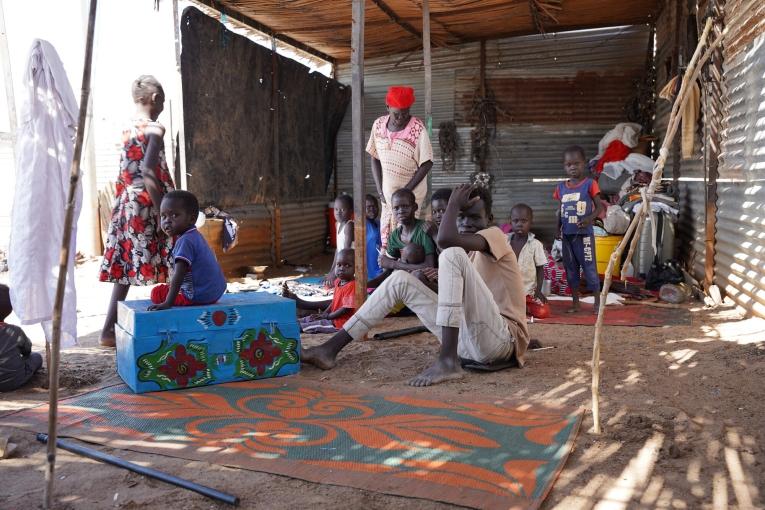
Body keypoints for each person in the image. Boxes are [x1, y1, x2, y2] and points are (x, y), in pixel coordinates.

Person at [302, 184, 530, 388]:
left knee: (450, 253)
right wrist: (428, 282)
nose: (466, 223)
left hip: (500, 341)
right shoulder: (468, 254)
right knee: (402, 279)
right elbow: (459, 303)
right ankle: (329, 349)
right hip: (470, 343)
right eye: (460, 217)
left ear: (489, 219)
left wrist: (452, 205)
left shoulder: (495, 236)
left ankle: (447, 361)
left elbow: (445, 240)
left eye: (474, 217)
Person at [98, 76, 175, 345]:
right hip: (147, 201)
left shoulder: (127, 129)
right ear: (155, 99)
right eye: (163, 100)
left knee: (126, 266)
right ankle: (177, 319)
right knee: (177, 253)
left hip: (127, 203)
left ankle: (108, 330)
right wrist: (163, 211)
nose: (163, 105)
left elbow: (128, 171)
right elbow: (147, 170)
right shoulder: (155, 128)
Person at [367, 86, 433, 250]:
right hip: (388, 196)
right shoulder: (378, 126)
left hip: (411, 195)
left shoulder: (417, 128)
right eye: (396, 113)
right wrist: (380, 191)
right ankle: (390, 269)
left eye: (405, 112)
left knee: (407, 237)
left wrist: (405, 193)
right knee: (387, 237)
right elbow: (374, 157)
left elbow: (427, 163)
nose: (401, 117)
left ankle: (406, 269)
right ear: (387, 108)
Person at [148, 190, 227, 310]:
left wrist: (168, 303)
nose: (167, 221)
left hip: (198, 296)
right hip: (215, 292)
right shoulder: (195, 235)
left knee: (156, 292)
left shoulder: (185, 241)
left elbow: (179, 274)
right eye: (163, 216)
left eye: (174, 215)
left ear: (192, 219)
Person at [554, 145, 604, 314]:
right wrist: (557, 229)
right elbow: (559, 211)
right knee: (571, 270)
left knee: (589, 268)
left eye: (577, 163)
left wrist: (590, 218)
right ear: (564, 166)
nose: (573, 167)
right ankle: (575, 303)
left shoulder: (590, 184)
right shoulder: (561, 188)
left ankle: (597, 302)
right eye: (569, 164)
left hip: (584, 236)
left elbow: (599, 207)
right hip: (567, 236)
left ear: (584, 163)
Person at [283, 249, 356, 334]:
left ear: (356, 267)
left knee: (312, 325)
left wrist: (328, 316)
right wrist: (323, 314)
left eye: (347, 265)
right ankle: (292, 323)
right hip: (332, 318)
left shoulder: (352, 286)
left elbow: (345, 309)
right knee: (312, 318)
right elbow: (334, 302)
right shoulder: (338, 282)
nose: (341, 269)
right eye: (339, 265)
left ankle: (293, 327)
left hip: (339, 324)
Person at [508, 204, 550, 319]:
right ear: (510, 222)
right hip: (507, 293)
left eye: (524, 221)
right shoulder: (504, 241)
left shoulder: (536, 245)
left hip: (528, 293)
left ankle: (523, 307)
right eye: (515, 220)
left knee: (543, 312)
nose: (519, 224)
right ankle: (515, 308)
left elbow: (540, 269)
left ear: (531, 222)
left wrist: (539, 291)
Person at [380, 188, 436, 272]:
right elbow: (387, 266)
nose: (400, 211)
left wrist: (393, 264)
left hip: (423, 277)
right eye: (396, 208)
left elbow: (429, 265)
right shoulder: (394, 235)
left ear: (415, 207)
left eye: (405, 206)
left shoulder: (423, 229)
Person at [0, 284, 43, 392]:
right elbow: (27, 350)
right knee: (37, 357)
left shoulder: (13, 331)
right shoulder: (15, 331)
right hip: (14, 380)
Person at [325, 194, 354, 285]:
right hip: (342, 265)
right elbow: (338, 251)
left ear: (351, 211)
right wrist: (331, 271)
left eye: (342, 209)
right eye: (336, 209)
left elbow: (345, 252)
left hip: (349, 266)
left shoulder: (349, 226)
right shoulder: (338, 224)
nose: (338, 212)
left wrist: (334, 273)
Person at [425, 187, 452, 258]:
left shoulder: (460, 231)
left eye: (442, 211)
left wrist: (434, 235)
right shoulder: (432, 229)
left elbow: (452, 258)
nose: (437, 216)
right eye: (434, 212)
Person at [364, 194, 384, 280]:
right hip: (369, 271)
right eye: (368, 207)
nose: (372, 209)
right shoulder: (361, 224)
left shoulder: (379, 222)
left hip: (380, 266)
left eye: (374, 206)